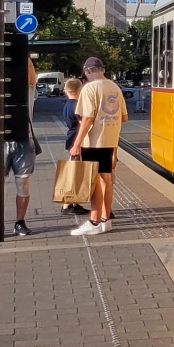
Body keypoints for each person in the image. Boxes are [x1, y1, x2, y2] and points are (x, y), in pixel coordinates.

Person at [69, 58, 127, 235]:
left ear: (87, 71)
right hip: (110, 140)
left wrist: (76, 144)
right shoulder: (115, 88)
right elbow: (124, 117)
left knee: (93, 182)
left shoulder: (89, 88)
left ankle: (94, 222)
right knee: (106, 179)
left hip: (93, 142)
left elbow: (87, 118)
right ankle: (105, 219)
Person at [0, 58, 37, 236]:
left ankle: (20, 222)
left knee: (23, 183)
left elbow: (31, 75)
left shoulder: (25, 88)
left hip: (23, 139)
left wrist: (21, 51)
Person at [60, 78, 88, 216]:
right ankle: (66, 205)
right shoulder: (77, 106)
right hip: (76, 141)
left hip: (70, 139)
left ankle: (74, 203)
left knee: (76, 172)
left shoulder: (67, 105)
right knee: (74, 174)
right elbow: (83, 123)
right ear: (80, 89)